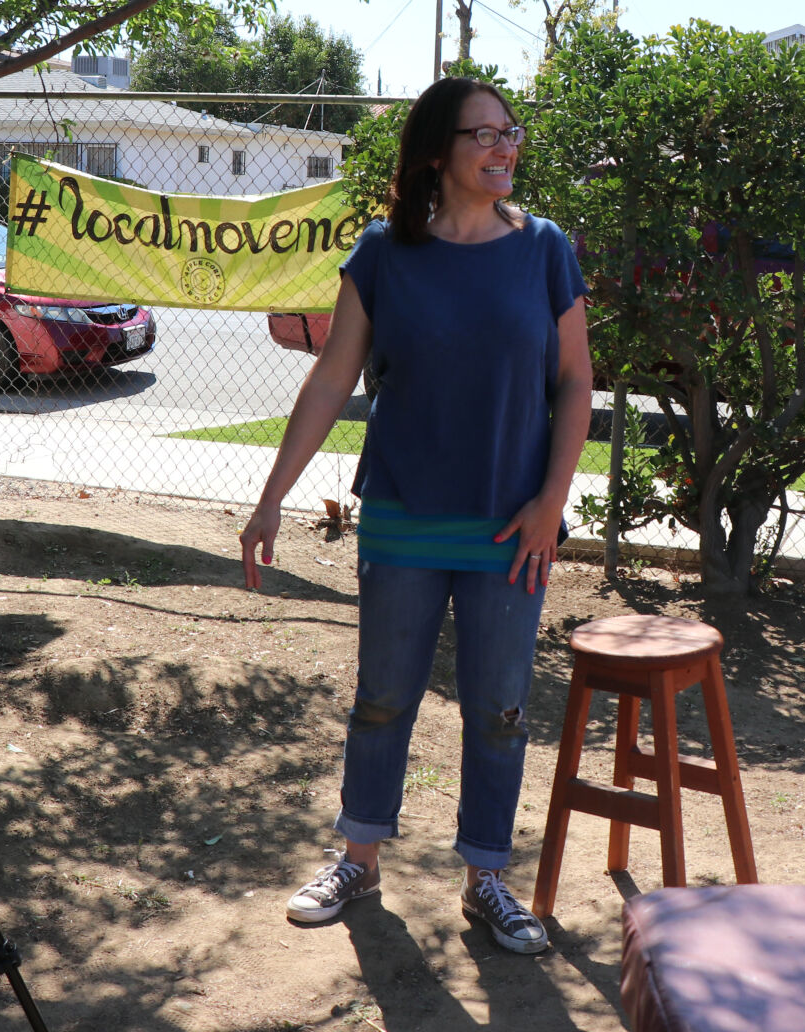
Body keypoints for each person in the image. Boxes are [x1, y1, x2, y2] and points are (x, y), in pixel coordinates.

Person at [238, 77, 592, 955]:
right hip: (401, 512)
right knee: (383, 698)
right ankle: (359, 858)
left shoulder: (544, 249)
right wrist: (271, 498)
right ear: (437, 151)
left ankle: (486, 877)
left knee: (499, 708)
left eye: (510, 131)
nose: (505, 147)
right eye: (484, 134)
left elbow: (574, 381)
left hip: (511, 525)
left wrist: (551, 502)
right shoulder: (383, 253)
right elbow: (331, 378)